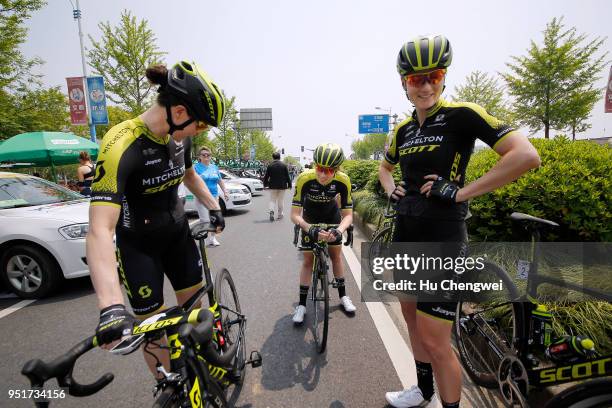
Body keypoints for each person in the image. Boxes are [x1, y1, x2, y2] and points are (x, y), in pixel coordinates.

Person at [380, 35, 540, 408]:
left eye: (433, 76)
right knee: (412, 319)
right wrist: (391, 189)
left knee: (437, 341)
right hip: (406, 234)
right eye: (415, 79)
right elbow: (384, 168)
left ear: (443, 77)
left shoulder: (462, 114)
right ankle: (422, 391)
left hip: (443, 237)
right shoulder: (402, 130)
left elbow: (525, 155)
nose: (425, 85)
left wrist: (461, 192)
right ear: (404, 83)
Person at [86, 60, 226, 381]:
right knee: (153, 331)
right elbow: (99, 228)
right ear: (179, 112)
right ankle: (168, 386)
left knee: (193, 312)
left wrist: (213, 205)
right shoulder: (120, 144)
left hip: (177, 234)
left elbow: (189, 175)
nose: (200, 132)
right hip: (139, 246)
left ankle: (205, 369)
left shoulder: (181, 136)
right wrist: (110, 305)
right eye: (201, 125)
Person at [290, 143, 356, 324]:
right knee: (308, 261)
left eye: (328, 170)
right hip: (309, 220)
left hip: (332, 218)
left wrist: (339, 230)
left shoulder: (343, 180)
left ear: (336, 169)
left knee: (336, 257)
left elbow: (348, 215)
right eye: (319, 168)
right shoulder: (304, 179)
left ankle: (343, 296)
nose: (322, 174)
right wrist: (308, 228)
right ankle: (302, 305)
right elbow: (294, 215)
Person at [193, 145, 228, 246]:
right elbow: (192, 181)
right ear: (199, 156)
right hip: (202, 197)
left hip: (214, 196)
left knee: (215, 219)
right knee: (205, 220)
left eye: (208, 155)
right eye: (204, 155)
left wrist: (225, 191)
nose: (206, 157)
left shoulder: (214, 167)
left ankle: (212, 238)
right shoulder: (195, 167)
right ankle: (202, 239)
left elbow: (220, 180)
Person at [263, 151, 292, 221]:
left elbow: (266, 176)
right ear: (279, 157)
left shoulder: (270, 165)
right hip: (282, 186)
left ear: (273, 157)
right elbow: (287, 176)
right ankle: (280, 215)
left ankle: (271, 212)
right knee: (280, 200)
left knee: (272, 200)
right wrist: (290, 184)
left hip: (272, 186)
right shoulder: (284, 165)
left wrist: (265, 184)